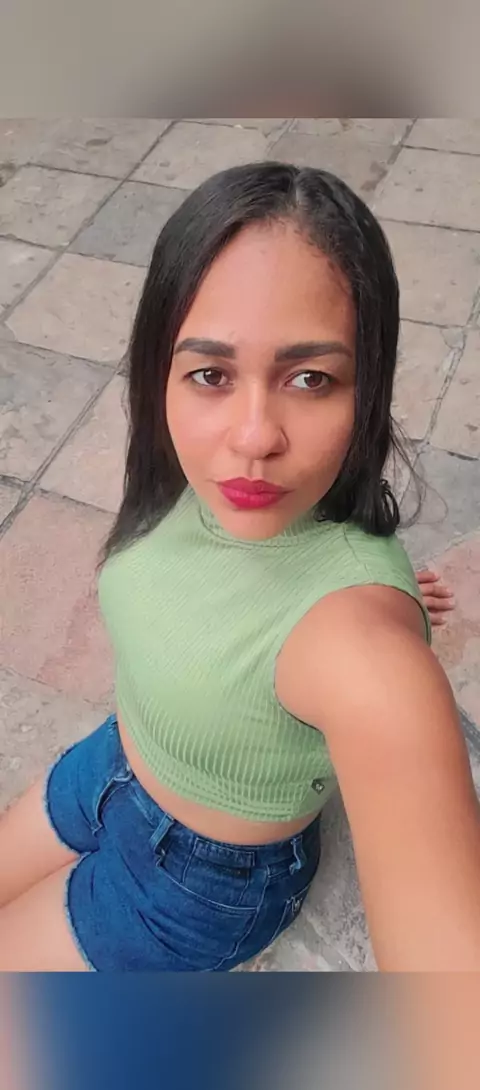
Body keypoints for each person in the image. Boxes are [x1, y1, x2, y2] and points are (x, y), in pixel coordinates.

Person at [0, 162, 477, 973]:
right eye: (211, 374)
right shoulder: (184, 482)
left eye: (310, 378)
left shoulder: (363, 654)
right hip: (112, 763)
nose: (254, 436)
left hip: (198, 881)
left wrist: (381, 616)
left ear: (365, 391)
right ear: (161, 373)